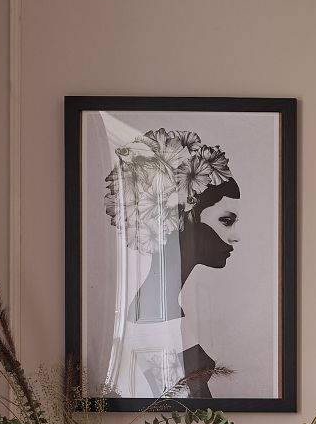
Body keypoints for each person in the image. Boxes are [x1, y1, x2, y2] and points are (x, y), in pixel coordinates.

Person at [100, 125, 244, 399]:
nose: (236, 236)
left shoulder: (161, 306)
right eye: (226, 220)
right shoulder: (152, 316)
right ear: (181, 218)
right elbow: (177, 415)